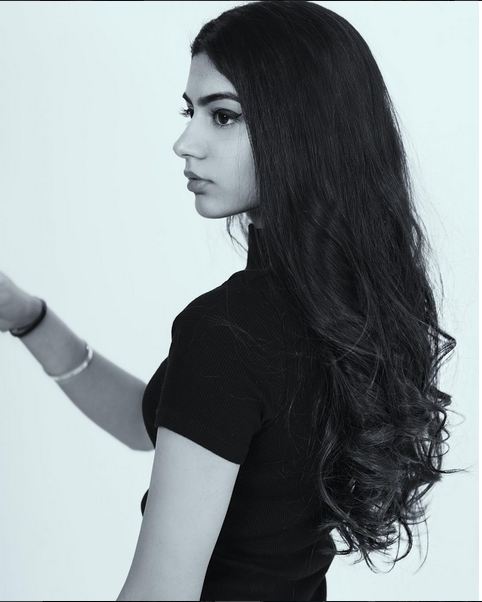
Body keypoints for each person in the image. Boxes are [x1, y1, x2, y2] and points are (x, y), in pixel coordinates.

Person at [1, 1, 463, 600]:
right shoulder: (344, 306)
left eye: (222, 116)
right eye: (190, 111)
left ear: (302, 127)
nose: (184, 142)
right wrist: (29, 318)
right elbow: (159, 421)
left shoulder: (229, 331)